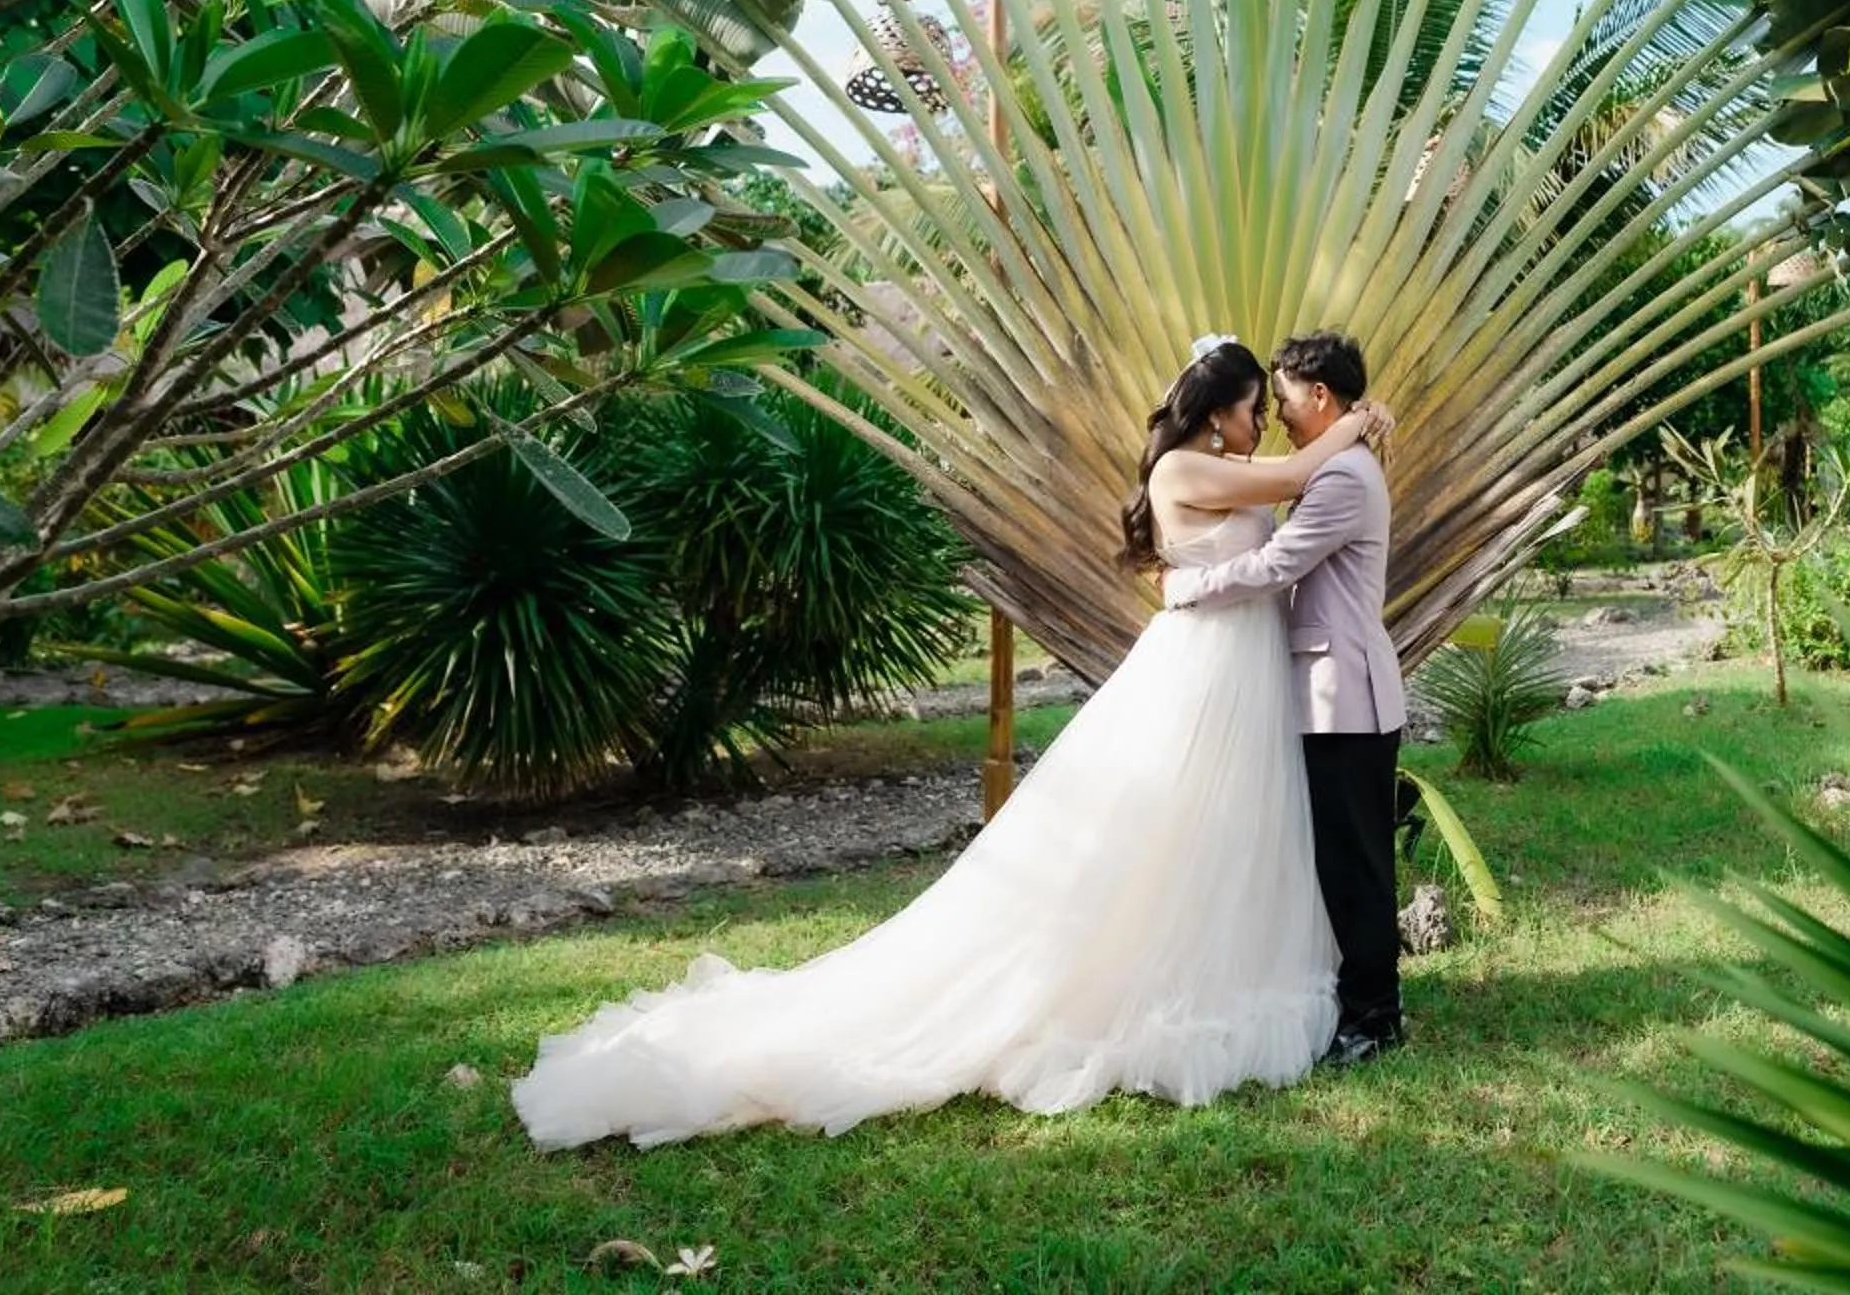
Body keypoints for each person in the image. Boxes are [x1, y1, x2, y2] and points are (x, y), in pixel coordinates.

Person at [509, 337, 1394, 1146]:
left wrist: (1350, 424)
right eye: (1252, 407)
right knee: (1148, 831)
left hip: (1243, 673)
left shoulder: (1231, 465)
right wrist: (1355, 420)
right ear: (1215, 412)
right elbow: (1295, 481)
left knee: (1222, 832)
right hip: (1203, 663)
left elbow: (1299, 482)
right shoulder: (1185, 474)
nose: (1262, 421)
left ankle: (1232, 970)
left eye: (1272, 405)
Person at [1162, 330, 1408, 1065]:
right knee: (1346, 858)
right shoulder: (1339, 465)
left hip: (1345, 695)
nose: (1279, 412)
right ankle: (1364, 1000)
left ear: (1321, 396)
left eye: (1287, 398)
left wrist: (1188, 588)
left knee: (1355, 863)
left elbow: (1276, 565)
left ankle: (1374, 1017)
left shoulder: (1339, 478)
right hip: (1334, 690)